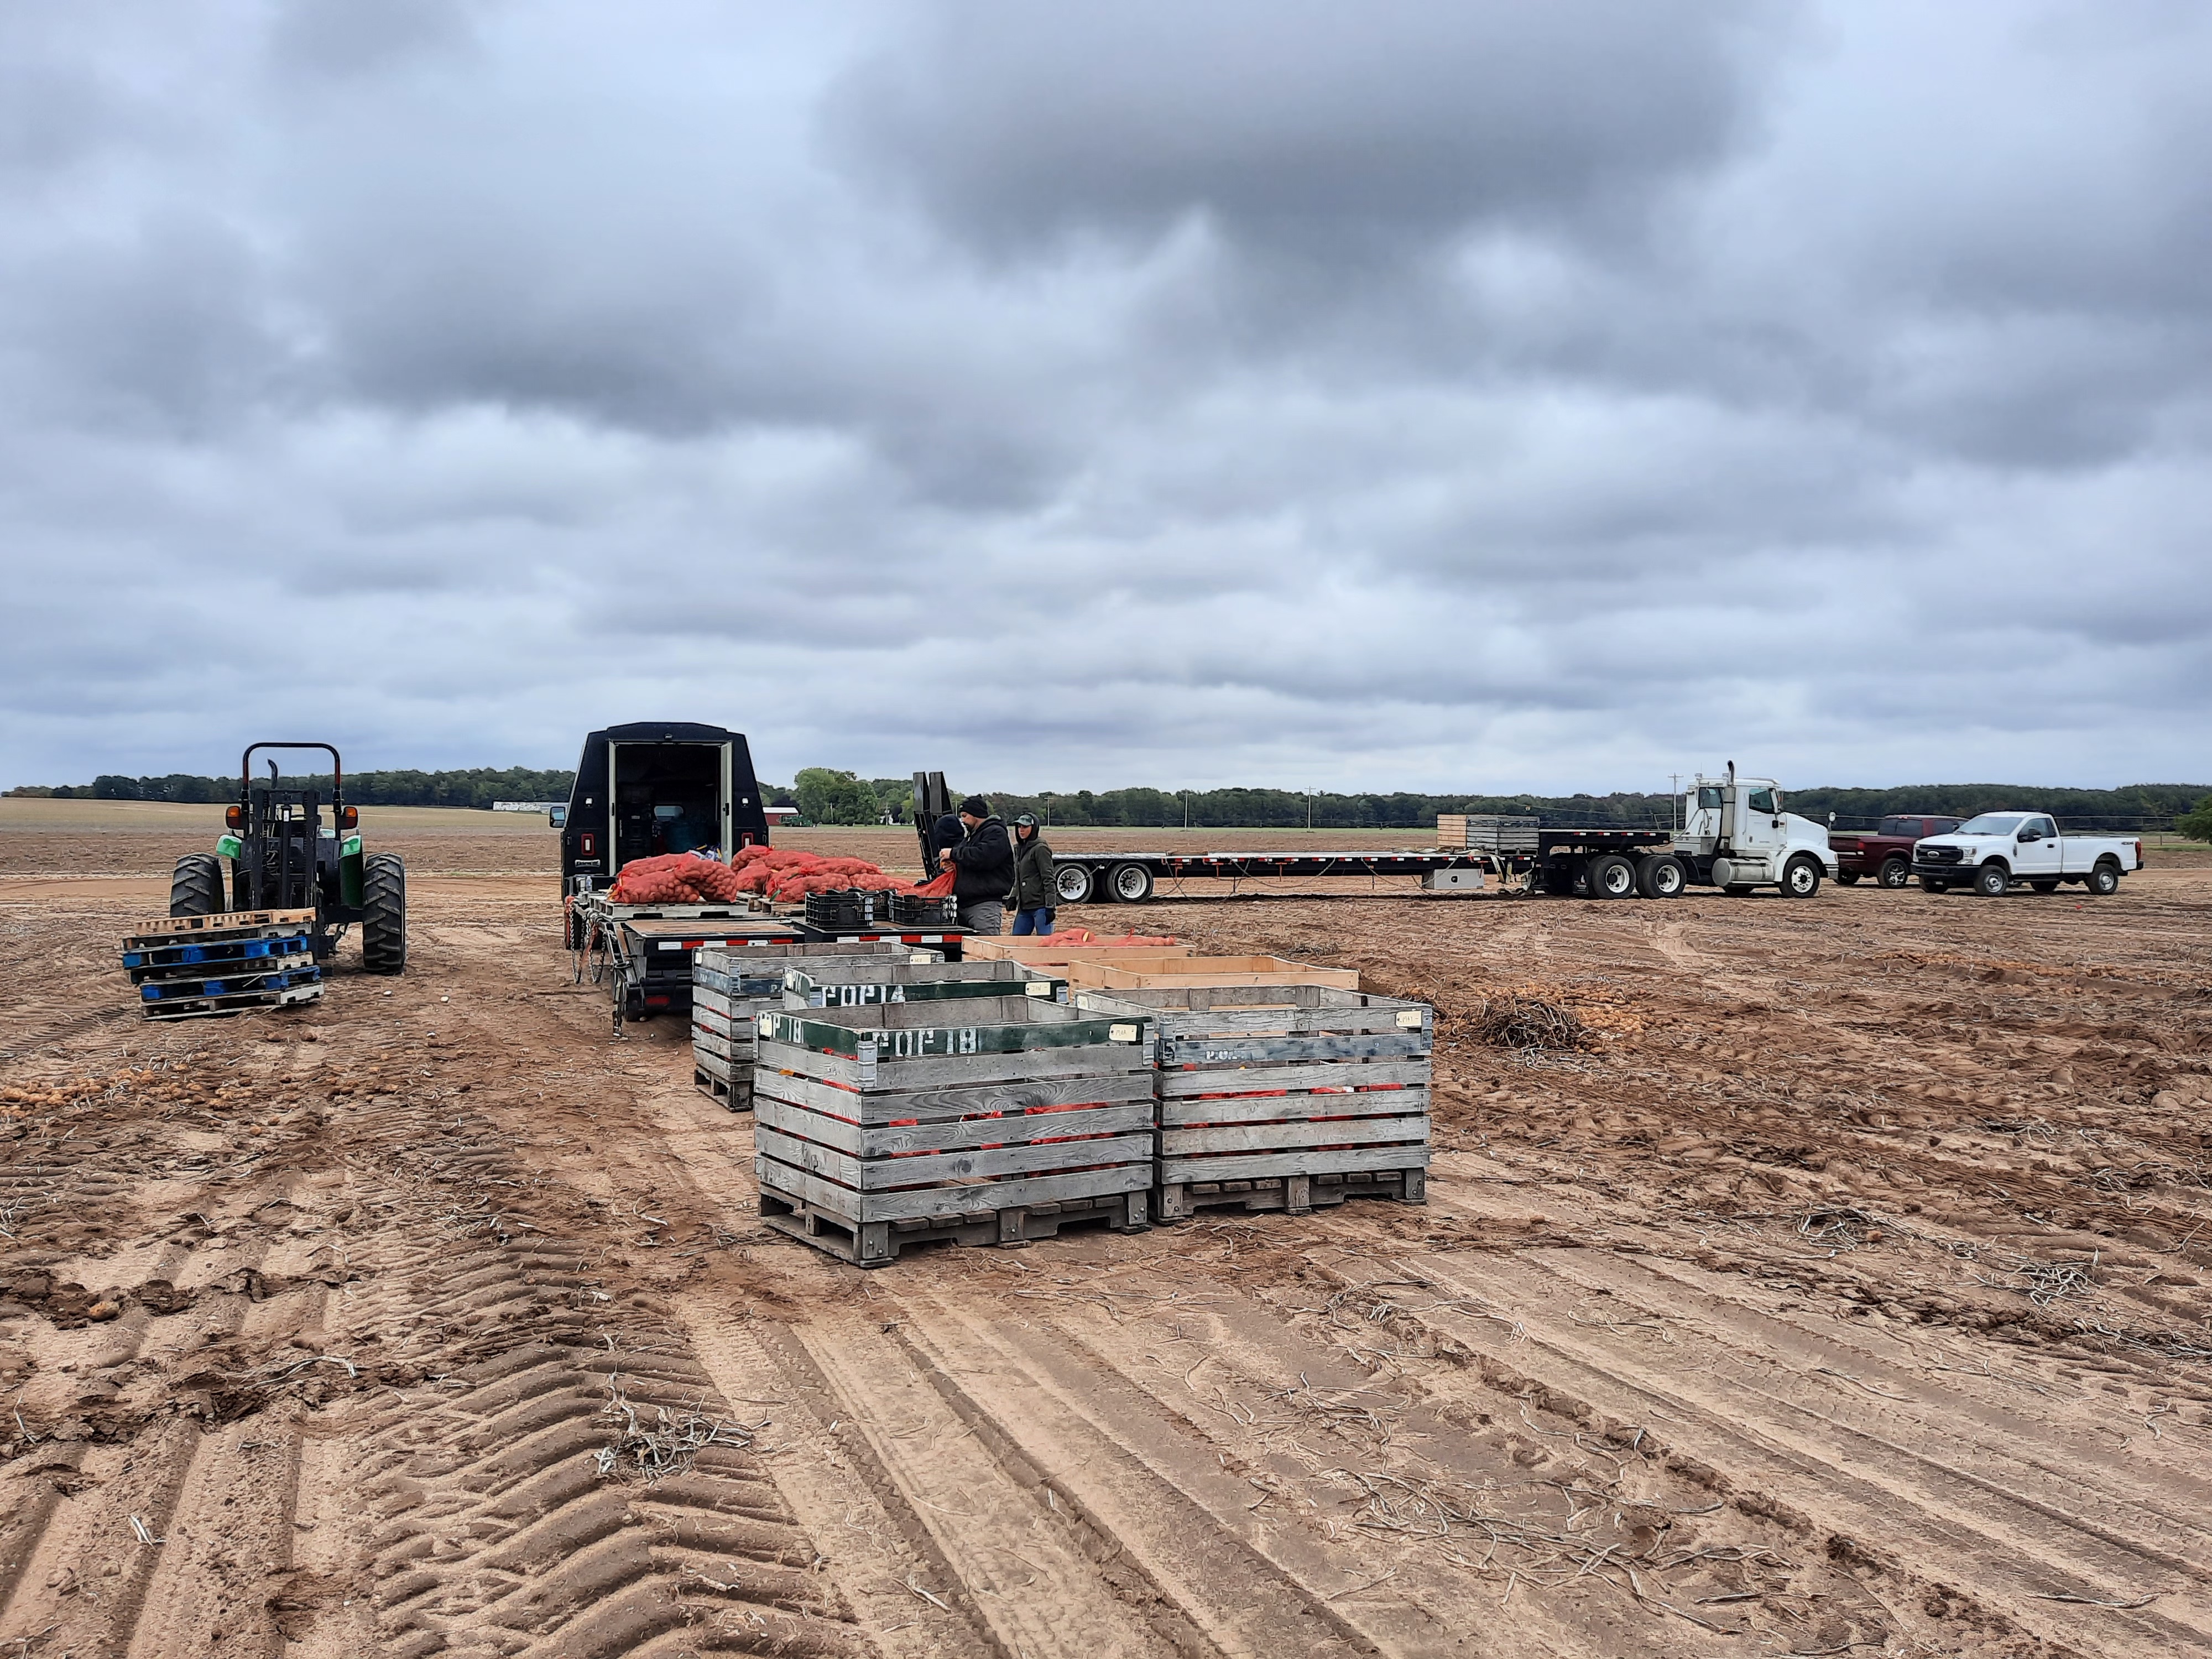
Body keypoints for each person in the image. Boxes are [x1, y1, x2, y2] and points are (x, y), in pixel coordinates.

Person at [940, 795, 1012, 936]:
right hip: (964, 905)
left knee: (987, 947)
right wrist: (954, 866)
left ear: (976, 815)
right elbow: (969, 859)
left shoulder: (996, 833)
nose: (963, 820)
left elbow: (983, 857)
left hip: (984, 906)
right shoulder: (972, 836)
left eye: (965, 816)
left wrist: (954, 853)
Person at [1007, 815, 1056, 936]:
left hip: (1040, 907)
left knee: (1045, 943)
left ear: (1034, 828)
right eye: (1019, 826)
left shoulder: (1040, 849)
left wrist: (1050, 906)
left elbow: (1049, 878)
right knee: (1017, 942)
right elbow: (1019, 878)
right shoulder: (1019, 850)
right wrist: (1013, 896)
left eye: (1025, 827)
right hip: (1024, 908)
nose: (1021, 830)